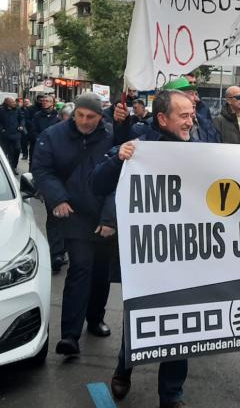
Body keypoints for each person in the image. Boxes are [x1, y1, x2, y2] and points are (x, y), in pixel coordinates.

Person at [92, 90, 198, 408]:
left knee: (183, 322)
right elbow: (97, 183)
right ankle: (124, 369)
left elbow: (237, 166)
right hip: (149, 256)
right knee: (144, 318)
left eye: (192, 114)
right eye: (184, 115)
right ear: (163, 119)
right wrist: (119, 158)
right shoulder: (139, 145)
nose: (191, 120)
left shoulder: (203, 139)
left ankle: (171, 395)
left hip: (190, 253)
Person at [31, 93, 118, 356]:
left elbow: (120, 178)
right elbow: (42, 170)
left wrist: (110, 218)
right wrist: (57, 198)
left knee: (101, 272)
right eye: (80, 115)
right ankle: (70, 334)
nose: (84, 121)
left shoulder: (112, 136)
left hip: (103, 213)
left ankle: (95, 318)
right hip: (74, 213)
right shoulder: (53, 135)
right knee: (80, 268)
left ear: (100, 116)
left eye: (91, 117)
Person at [0, 97, 25, 174]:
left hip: (16, 134)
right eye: (12, 102)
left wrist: (21, 126)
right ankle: (5, 169)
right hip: (4, 135)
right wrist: (1, 129)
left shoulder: (17, 110)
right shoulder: (1, 110)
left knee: (17, 149)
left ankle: (14, 166)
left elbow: (22, 119)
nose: (15, 103)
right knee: (5, 152)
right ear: (7, 103)